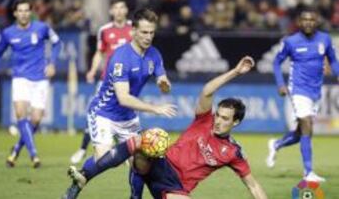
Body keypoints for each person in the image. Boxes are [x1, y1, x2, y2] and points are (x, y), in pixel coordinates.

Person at [62, 56, 268, 199]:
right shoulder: (204, 120)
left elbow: (253, 185)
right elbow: (207, 91)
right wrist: (235, 72)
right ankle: (84, 178)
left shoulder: (234, 152)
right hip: (159, 164)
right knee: (146, 140)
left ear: (236, 122)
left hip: (175, 187)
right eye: (218, 115)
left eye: (225, 119)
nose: (218, 120)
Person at [62, 8, 176, 199]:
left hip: (128, 117)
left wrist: (164, 85)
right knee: (105, 158)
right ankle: (81, 180)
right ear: (133, 31)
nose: (148, 37)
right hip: (104, 113)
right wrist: (154, 108)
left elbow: (163, 82)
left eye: (151, 32)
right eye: (144, 32)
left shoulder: (154, 54)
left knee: (140, 161)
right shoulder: (120, 57)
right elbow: (123, 98)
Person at [266, 7, 339, 182]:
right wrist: (280, 84)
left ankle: (276, 144)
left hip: (315, 91)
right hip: (297, 89)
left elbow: (333, 60)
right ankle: (308, 172)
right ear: (299, 22)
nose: (308, 22)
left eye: (311, 19)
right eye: (304, 19)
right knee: (306, 124)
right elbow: (276, 63)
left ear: (316, 22)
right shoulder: (291, 41)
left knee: (300, 133)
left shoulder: (325, 39)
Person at [0, 0, 61, 168]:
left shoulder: (41, 28)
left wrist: (52, 63)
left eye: (27, 10)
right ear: (15, 13)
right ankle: (34, 155)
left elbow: (57, 44)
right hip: (20, 77)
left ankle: (16, 150)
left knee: (35, 119)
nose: (24, 14)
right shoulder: (8, 33)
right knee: (20, 113)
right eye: (20, 11)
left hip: (40, 78)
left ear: (31, 12)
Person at [70, 0, 132, 165]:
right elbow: (99, 53)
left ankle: (126, 150)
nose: (119, 11)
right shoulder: (104, 30)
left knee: (126, 116)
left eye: (121, 7)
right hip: (107, 81)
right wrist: (92, 70)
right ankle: (83, 148)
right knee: (96, 112)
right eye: (116, 8)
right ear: (111, 11)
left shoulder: (134, 29)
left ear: (126, 10)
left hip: (128, 82)